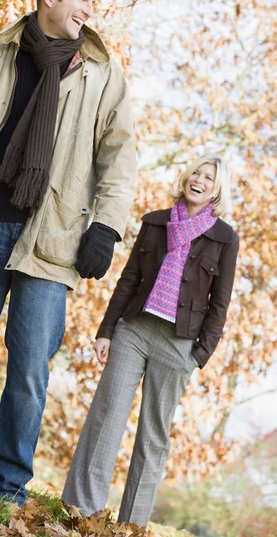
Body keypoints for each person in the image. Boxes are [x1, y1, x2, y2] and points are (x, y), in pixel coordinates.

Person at [0, 0, 136, 504]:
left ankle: (7, 484)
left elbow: (119, 157)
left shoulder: (101, 72)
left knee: (28, 369)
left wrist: (108, 228)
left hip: (54, 236)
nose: (91, 10)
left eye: (94, 2)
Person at [62, 155, 239, 527]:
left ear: (216, 190)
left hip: (179, 344)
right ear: (186, 177)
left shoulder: (225, 238)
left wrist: (198, 356)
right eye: (196, 173)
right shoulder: (154, 222)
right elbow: (128, 280)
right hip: (134, 330)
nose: (200, 180)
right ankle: (78, 511)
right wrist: (106, 330)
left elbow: (219, 303)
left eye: (209, 178)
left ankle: (131, 526)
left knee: (153, 436)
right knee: (106, 416)